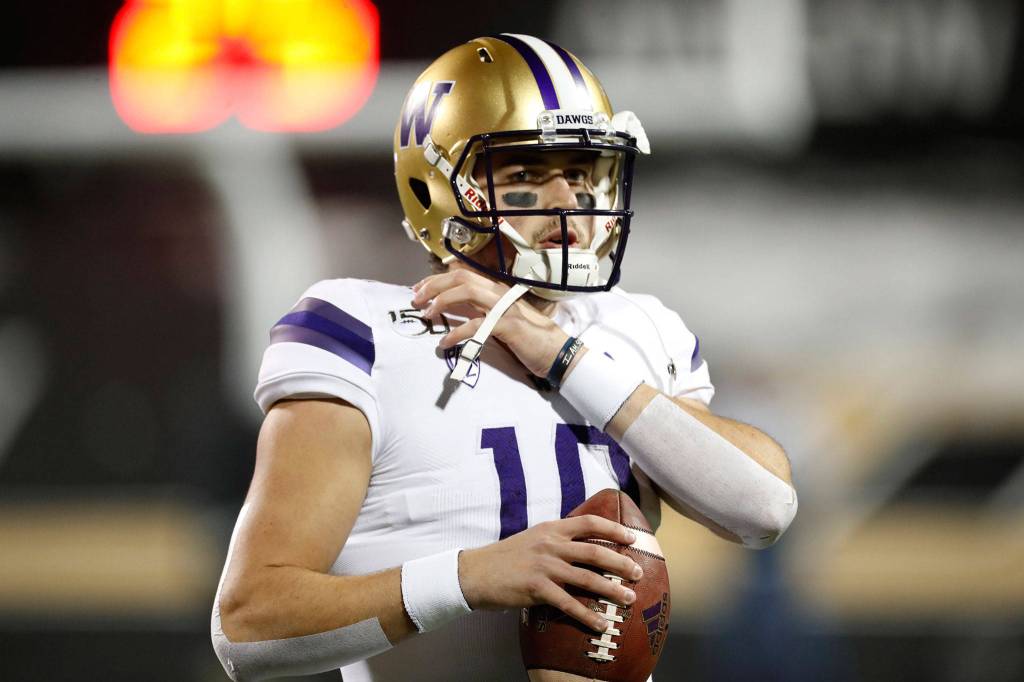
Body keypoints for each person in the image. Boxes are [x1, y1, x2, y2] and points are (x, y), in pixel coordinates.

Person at [211, 34, 797, 682]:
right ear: (435, 186)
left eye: (580, 172)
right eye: (523, 174)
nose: (568, 202)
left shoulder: (636, 328)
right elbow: (250, 624)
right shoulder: (360, 327)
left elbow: (763, 505)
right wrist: (472, 576)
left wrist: (556, 350)